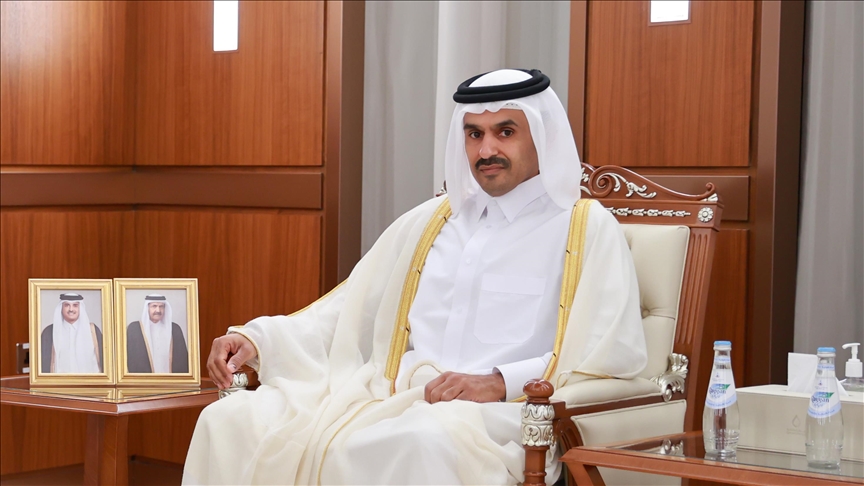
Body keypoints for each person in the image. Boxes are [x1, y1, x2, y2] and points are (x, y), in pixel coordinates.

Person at [183, 69, 647, 485]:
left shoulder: (584, 227)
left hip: (500, 415)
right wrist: (258, 339)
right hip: (392, 394)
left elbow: (608, 351)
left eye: (505, 132)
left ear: (541, 136)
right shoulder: (432, 220)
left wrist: (498, 381)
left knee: (418, 441)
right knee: (230, 422)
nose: (486, 150)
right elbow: (350, 307)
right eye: (474, 134)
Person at [41, 293, 103, 373]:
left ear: (80, 308)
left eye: (75, 305)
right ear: (61, 308)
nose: (71, 309)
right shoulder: (49, 332)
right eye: (67, 305)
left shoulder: (93, 331)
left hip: (89, 380)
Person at [126, 294, 189, 373]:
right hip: (144, 379)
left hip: (169, 378)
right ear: (147, 308)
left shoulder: (175, 329)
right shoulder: (134, 329)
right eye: (154, 306)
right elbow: (130, 357)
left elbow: (183, 358)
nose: (158, 310)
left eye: (161, 306)